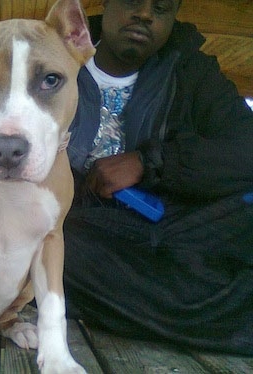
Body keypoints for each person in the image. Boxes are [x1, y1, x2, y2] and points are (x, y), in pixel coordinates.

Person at [63, 0, 253, 355]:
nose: (146, 14)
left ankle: (122, 307)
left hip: (174, 225)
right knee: (54, 250)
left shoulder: (191, 71)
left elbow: (246, 149)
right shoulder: (54, 56)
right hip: (81, 233)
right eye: (134, 2)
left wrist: (150, 163)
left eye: (162, 8)